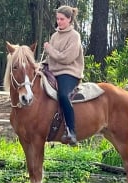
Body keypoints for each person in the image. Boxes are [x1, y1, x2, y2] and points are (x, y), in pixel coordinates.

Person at [43, 5, 84, 145]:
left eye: (62, 19)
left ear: (70, 19)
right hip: (53, 71)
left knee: (62, 95)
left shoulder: (75, 36)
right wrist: (40, 64)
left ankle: (71, 131)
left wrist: (49, 49)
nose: (59, 22)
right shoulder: (54, 36)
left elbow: (66, 58)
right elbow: (52, 58)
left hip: (69, 72)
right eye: (57, 19)